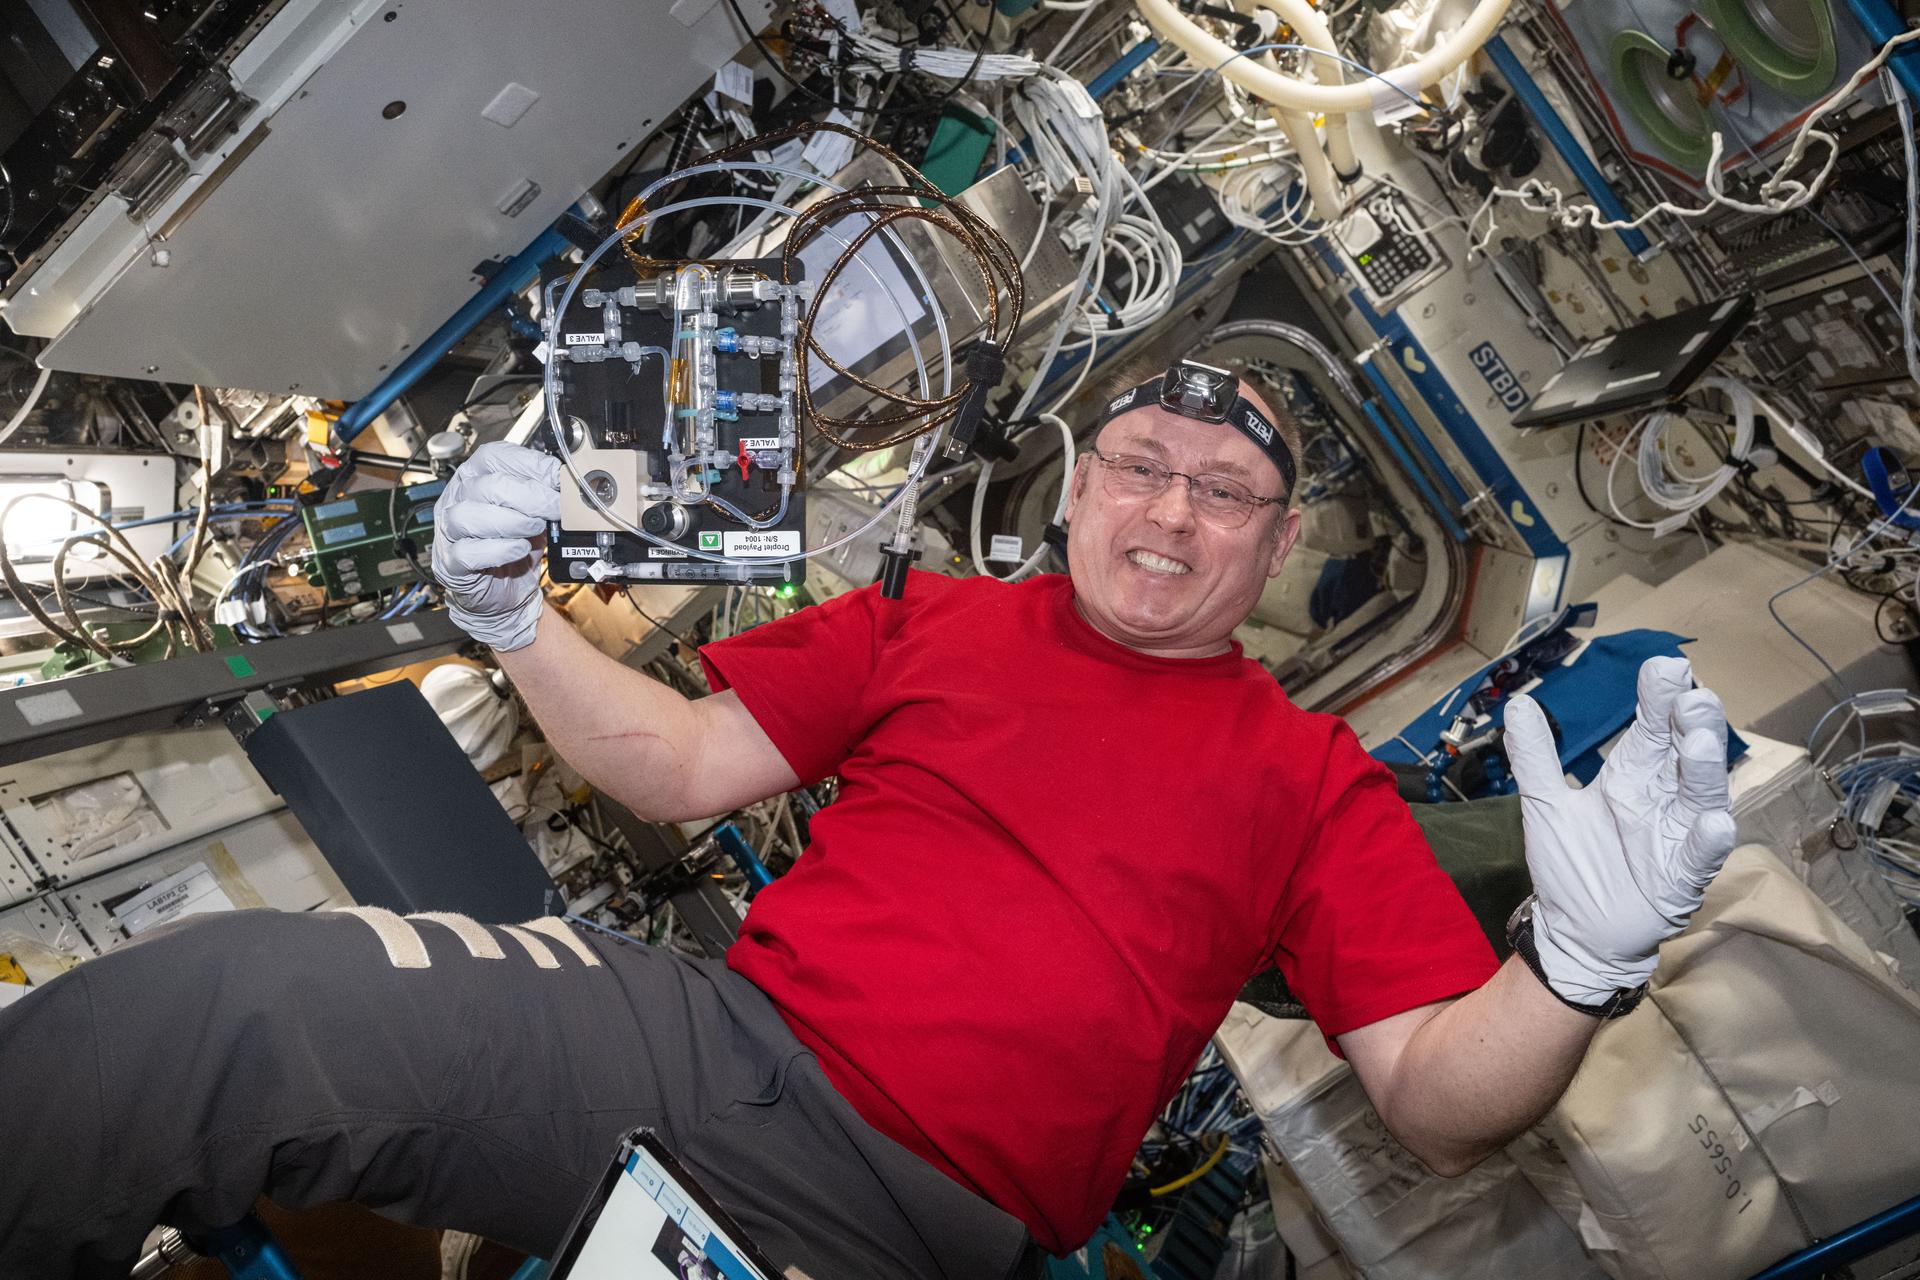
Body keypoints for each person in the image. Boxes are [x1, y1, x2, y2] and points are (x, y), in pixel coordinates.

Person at [0, 360, 1737, 1280]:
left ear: (1274, 552)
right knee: (233, 1005)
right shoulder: (936, 622)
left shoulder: (1310, 782)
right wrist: (513, 615)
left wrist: (1575, 970)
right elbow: (679, 769)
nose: (1171, 508)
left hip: (913, 1222)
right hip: (690, 1046)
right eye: (1140, 463)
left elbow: (1438, 1103)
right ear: (1075, 491)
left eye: (1227, 494)